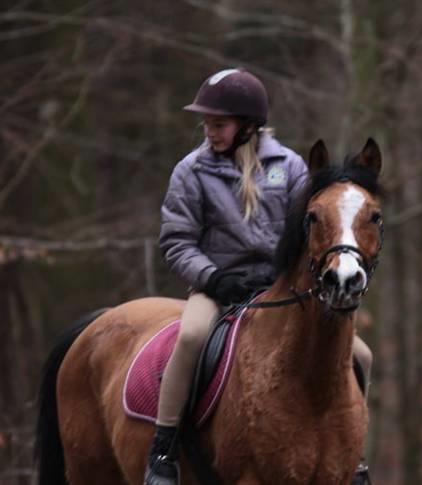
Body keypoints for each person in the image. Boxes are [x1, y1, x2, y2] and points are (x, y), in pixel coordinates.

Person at [146, 68, 373, 485]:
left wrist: (289, 279)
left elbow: (308, 236)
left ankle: (353, 455)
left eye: (219, 124)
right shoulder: (191, 171)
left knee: (361, 355)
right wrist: (213, 279)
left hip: (278, 290)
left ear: (248, 126)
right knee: (193, 335)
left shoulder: (289, 168)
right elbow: (177, 241)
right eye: (208, 124)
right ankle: (163, 449)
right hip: (218, 288)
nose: (210, 132)